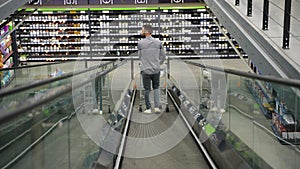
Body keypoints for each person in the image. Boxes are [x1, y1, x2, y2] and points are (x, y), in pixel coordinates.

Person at [138, 25, 166, 114]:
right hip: (156, 69)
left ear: (146, 31)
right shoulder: (158, 42)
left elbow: (140, 56)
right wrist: (158, 63)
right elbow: (163, 56)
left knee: (147, 89)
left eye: (142, 30)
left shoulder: (140, 43)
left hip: (145, 69)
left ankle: (148, 108)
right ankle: (157, 107)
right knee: (156, 87)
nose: (141, 31)